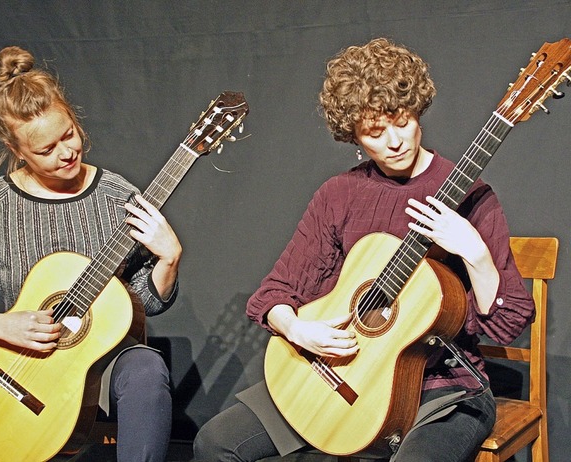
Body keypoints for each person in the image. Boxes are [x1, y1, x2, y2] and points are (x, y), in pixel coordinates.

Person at [193, 37, 535, 462]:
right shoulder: (340, 194)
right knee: (215, 443)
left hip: (439, 387)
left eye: (403, 121)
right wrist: (300, 330)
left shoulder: (471, 194)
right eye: (375, 132)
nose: (395, 141)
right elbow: (276, 293)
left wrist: (477, 255)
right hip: (342, 372)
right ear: (352, 135)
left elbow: (508, 324)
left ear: (418, 112)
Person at [0, 46, 182, 461]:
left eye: (68, 134)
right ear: (18, 152)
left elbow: (144, 299)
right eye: (46, 150)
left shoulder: (118, 196)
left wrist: (169, 260)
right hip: (15, 362)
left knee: (146, 371)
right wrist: (1, 325)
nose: (67, 152)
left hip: (97, 363)